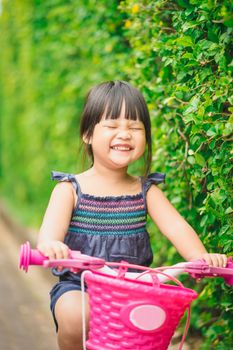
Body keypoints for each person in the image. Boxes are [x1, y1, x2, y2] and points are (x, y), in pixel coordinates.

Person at [37, 80, 227, 350]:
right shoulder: (70, 189)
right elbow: (49, 234)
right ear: (87, 134)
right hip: (81, 286)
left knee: (156, 325)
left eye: (135, 128)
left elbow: (175, 225)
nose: (124, 134)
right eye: (112, 126)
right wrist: (51, 245)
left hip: (135, 288)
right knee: (75, 315)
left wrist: (201, 257)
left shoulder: (145, 191)